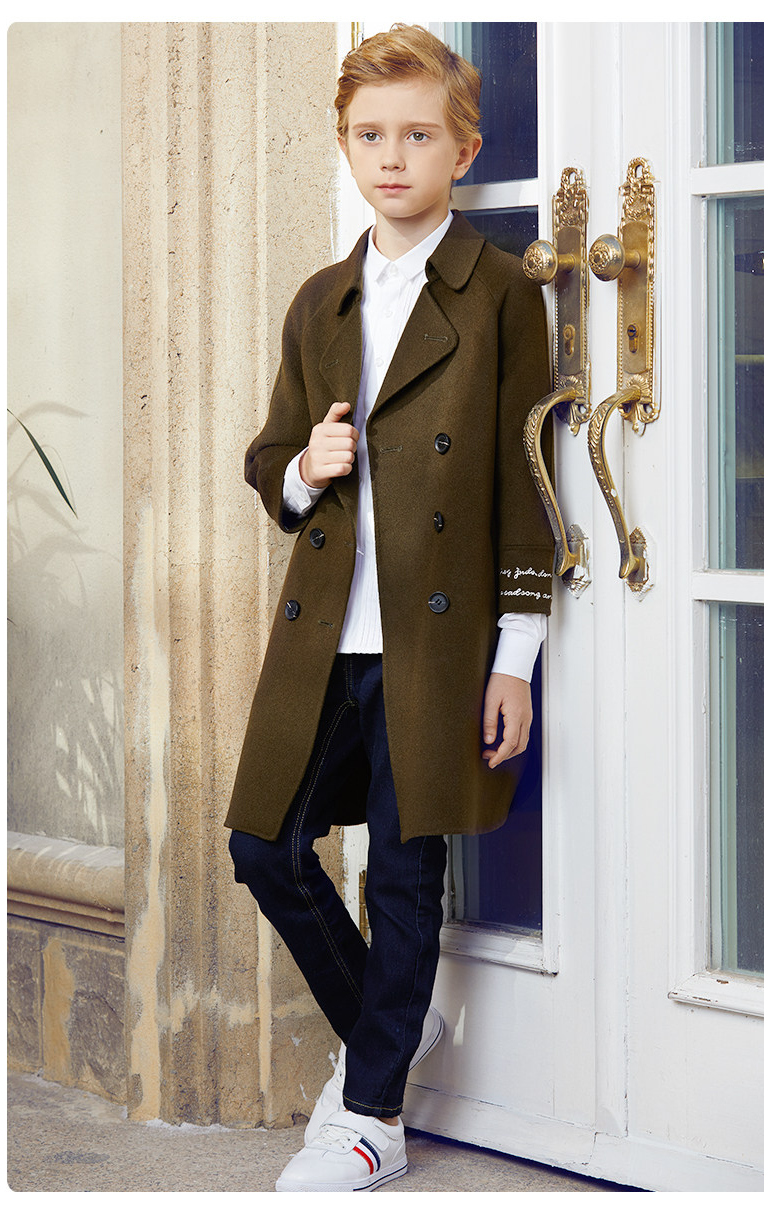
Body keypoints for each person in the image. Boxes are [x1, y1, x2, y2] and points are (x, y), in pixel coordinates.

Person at [225, 24, 553, 1192]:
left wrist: (515, 654)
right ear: (344, 146)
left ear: (464, 150)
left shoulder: (501, 293)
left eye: (417, 135)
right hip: (324, 634)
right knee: (263, 846)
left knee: (407, 875)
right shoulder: (321, 300)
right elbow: (267, 458)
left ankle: (371, 1120)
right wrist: (303, 469)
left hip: (437, 641)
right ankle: (391, 1026)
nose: (391, 157)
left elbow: (526, 486)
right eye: (369, 135)